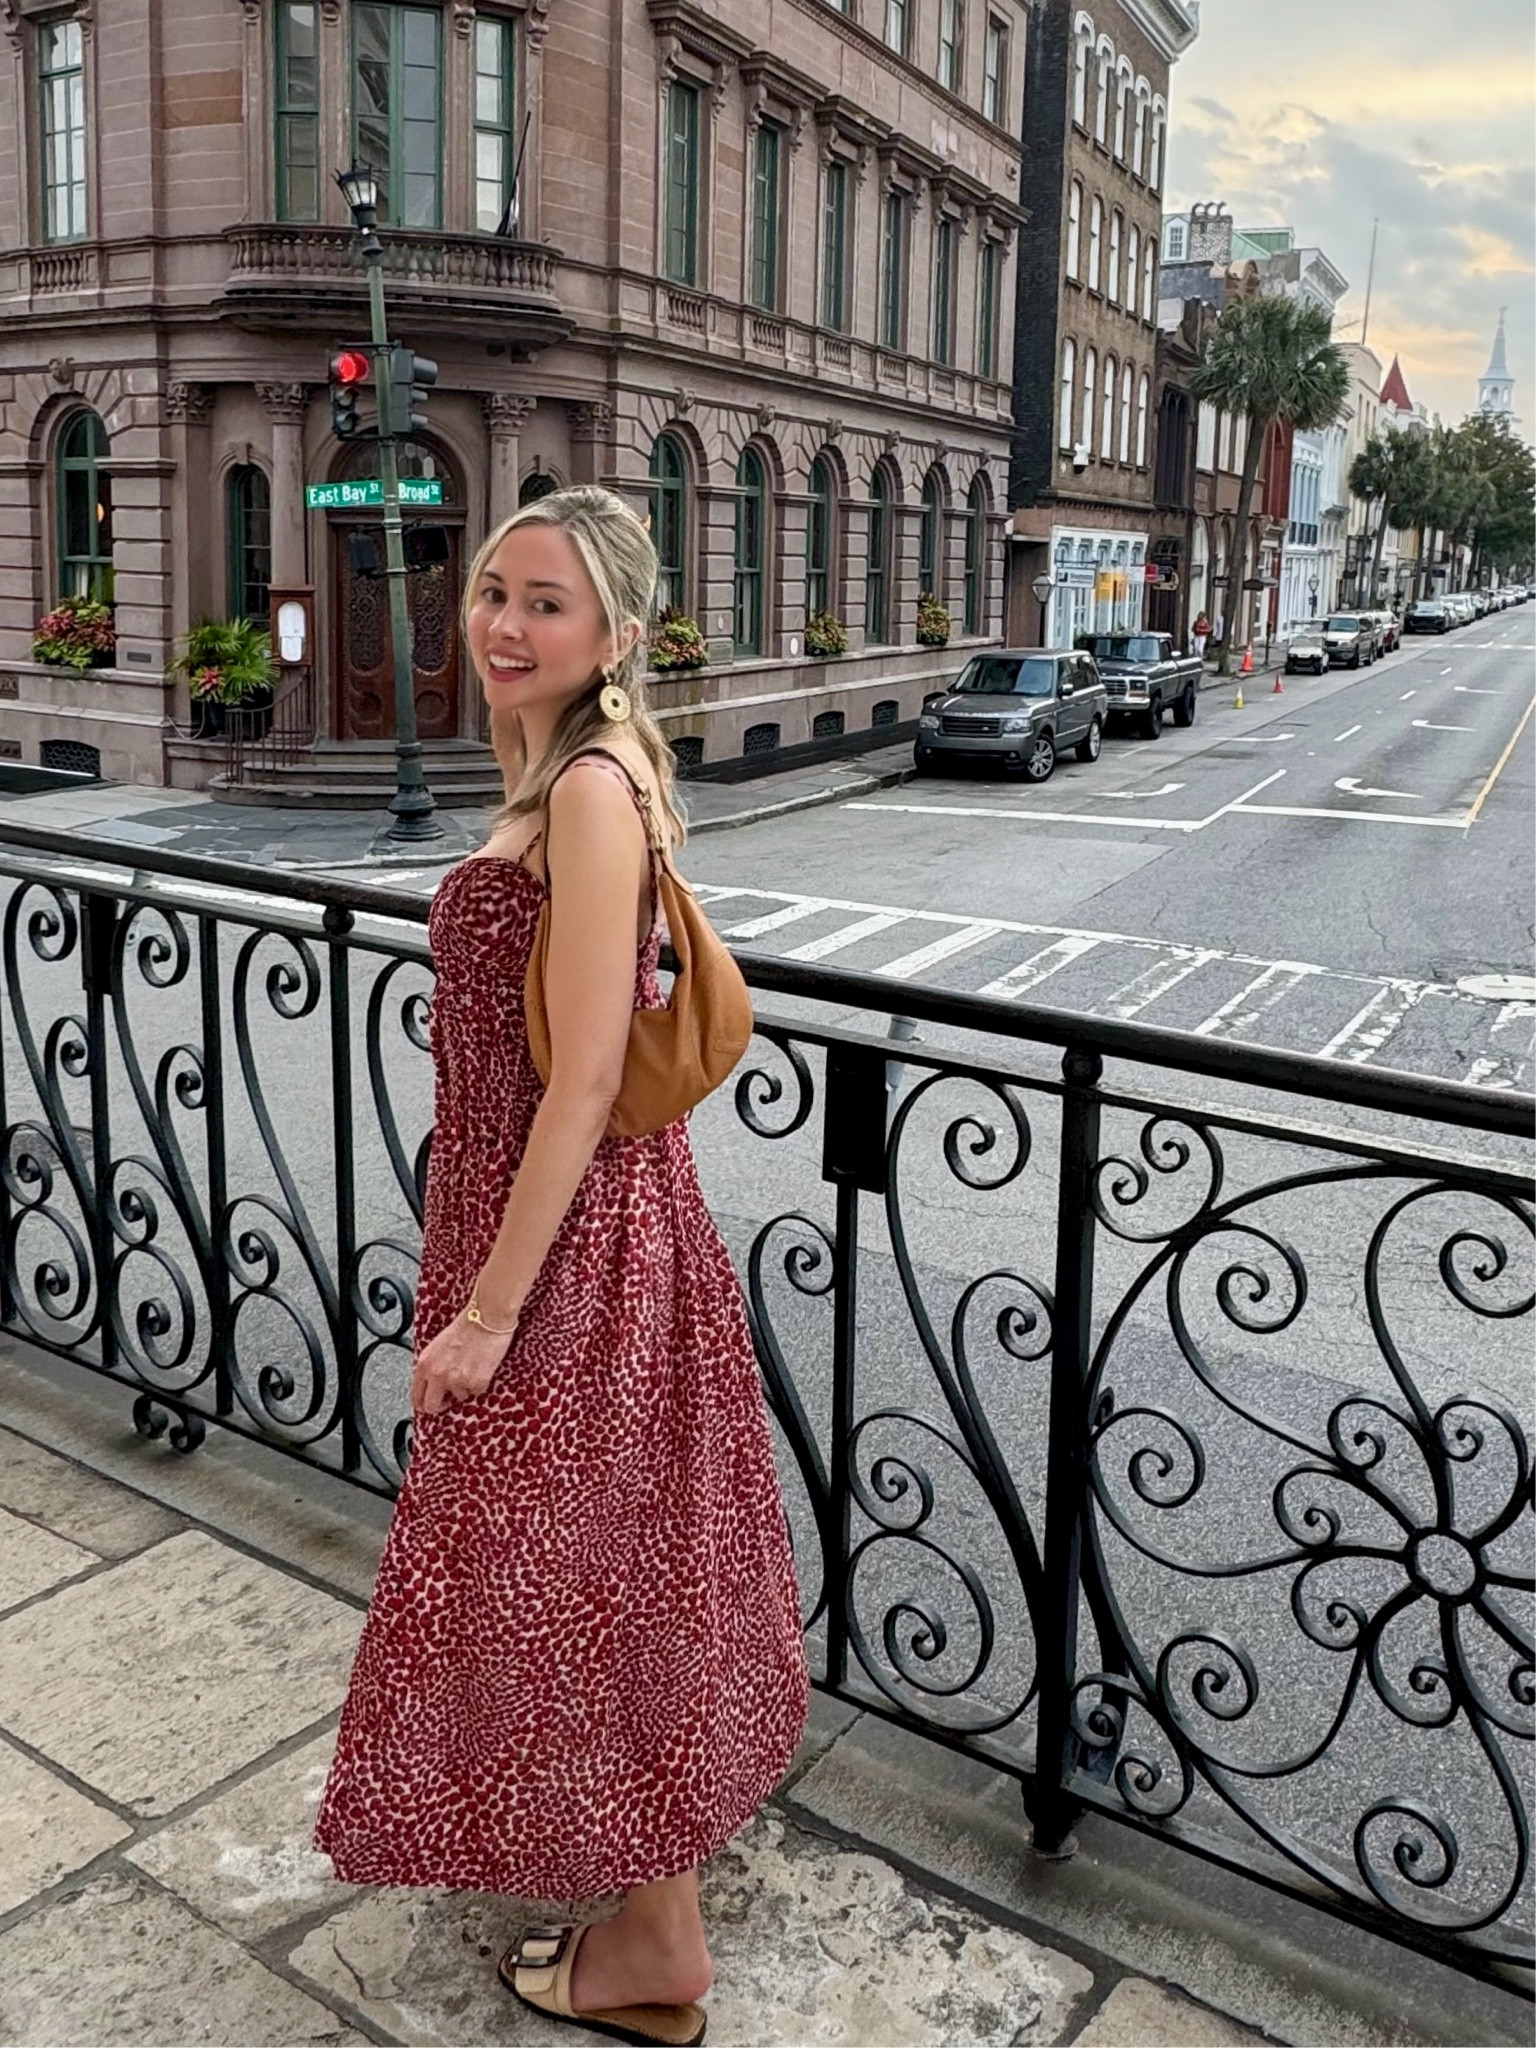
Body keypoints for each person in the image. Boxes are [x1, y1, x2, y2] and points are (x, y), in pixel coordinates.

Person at [314, 486, 810, 2048]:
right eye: (493, 593)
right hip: (553, 1229)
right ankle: (643, 1906)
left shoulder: (589, 792)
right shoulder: (552, 782)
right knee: (585, 1566)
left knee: (567, 1573)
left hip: (576, 1253)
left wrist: (484, 1316)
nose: (503, 625)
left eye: (544, 603)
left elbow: (587, 1082)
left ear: (613, 639)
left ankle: (655, 1939)